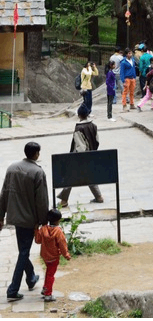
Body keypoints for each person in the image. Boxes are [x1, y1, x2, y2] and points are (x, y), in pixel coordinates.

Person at [1, 142, 48, 301]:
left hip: (15, 217)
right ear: (36, 154)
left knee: (23, 250)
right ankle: (13, 289)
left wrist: (1, 216)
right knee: (24, 252)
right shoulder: (37, 172)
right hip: (29, 219)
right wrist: (42, 220)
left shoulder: (12, 168)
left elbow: (4, 193)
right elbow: (41, 200)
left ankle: (31, 277)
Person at [57, 107, 103, 207]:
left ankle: (64, 201)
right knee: (89, 176)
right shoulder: (93, 126)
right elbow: (97, 141)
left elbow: (81, 147)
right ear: (87, 114)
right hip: (91, 156)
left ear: (78, 115)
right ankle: (98, 196)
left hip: (81, 158)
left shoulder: (79, 128)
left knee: (70, 177)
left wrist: (77, 158)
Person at [33, 210, 68, 302]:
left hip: (45, 256)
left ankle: (45, 288)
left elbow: (37, 240)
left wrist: (36, 230)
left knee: (48, 273)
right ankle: (48, 294)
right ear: (58, 221)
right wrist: (66, 255)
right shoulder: (58, 232)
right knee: (51, 275)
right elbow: (62, 244)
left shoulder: (43, 229)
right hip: (54, 257)